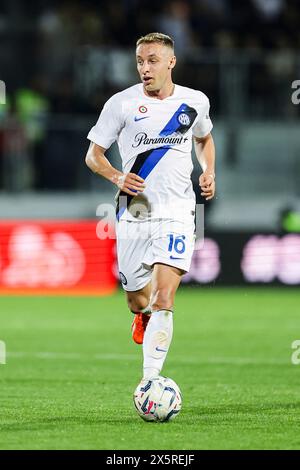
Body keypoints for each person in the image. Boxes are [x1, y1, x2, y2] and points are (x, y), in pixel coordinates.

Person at [85, 32, 215, 382]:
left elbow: (203, 138)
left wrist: (208, 169)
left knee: (163, 298)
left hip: (178, 211)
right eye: (140, 61)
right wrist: (116, 177)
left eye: (153, 60)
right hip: (133, 211)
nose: (145, 68)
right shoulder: (121, 104)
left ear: (171, 62)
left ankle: (150, 381)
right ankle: (141, 317)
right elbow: (93, 155)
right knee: (137, 300)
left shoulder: (194, 102)